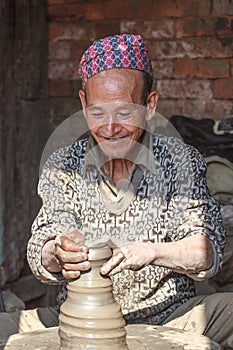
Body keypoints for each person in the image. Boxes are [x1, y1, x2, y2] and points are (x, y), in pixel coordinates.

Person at [1, 34, 232, 348]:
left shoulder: (181, 161)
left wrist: (151, 251)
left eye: (124, 113)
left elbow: (208, 251)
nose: (109, 128)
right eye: (97, 113)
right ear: (83, 105)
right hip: (78, 317)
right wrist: (56, 252)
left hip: (169, 316)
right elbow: (39, 248)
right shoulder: (65, 165)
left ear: (150, 106)